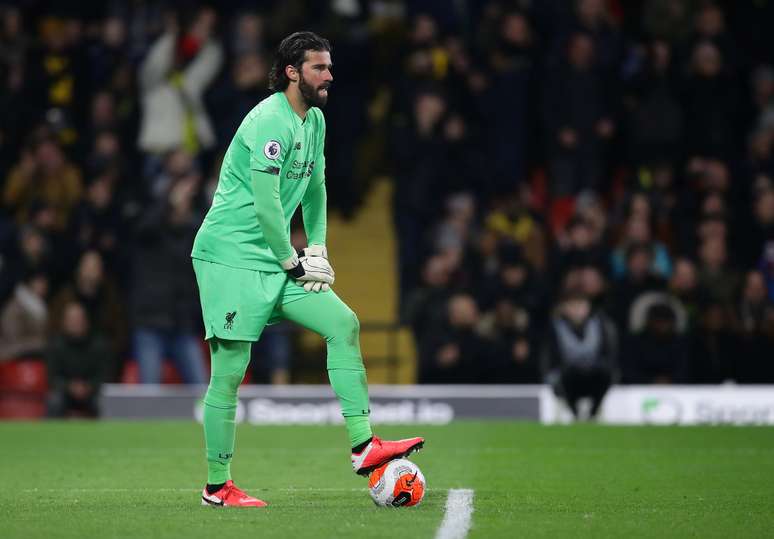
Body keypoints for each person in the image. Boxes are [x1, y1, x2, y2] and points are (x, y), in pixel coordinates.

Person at [191, 32, 423, 508]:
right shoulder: (269, 121)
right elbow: (266, 205)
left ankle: (363, 446)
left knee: (343, 323)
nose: (329, 75)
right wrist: (290, 260)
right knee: (230, 371)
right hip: (230, 257)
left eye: (329, 66)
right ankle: (217, 486)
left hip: (276, 257)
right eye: (319, 67)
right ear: (292, 72)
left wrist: (317, 247)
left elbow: (316, 187)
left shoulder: (314, 120)